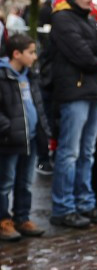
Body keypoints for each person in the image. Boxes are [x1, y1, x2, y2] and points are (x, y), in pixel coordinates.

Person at [45, 0, 97, 229]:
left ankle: (85, 202)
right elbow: (84, 56)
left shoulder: (89, 20)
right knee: (69, 152)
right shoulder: (63, 19)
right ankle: (64, 206)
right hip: (74, 91)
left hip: (93, 89)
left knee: (87, 152)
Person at [0, 34, 48, 241]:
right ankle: (3, 220)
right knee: (5, 182)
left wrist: (44, 129)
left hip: (31, 137)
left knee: (25, 181)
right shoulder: (3, 75)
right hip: (9, 140)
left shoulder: (30, 75)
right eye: (30, 52)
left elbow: (37, 104)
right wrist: (8, 128)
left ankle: (22, 216)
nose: (35, 56)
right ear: (16, 54)